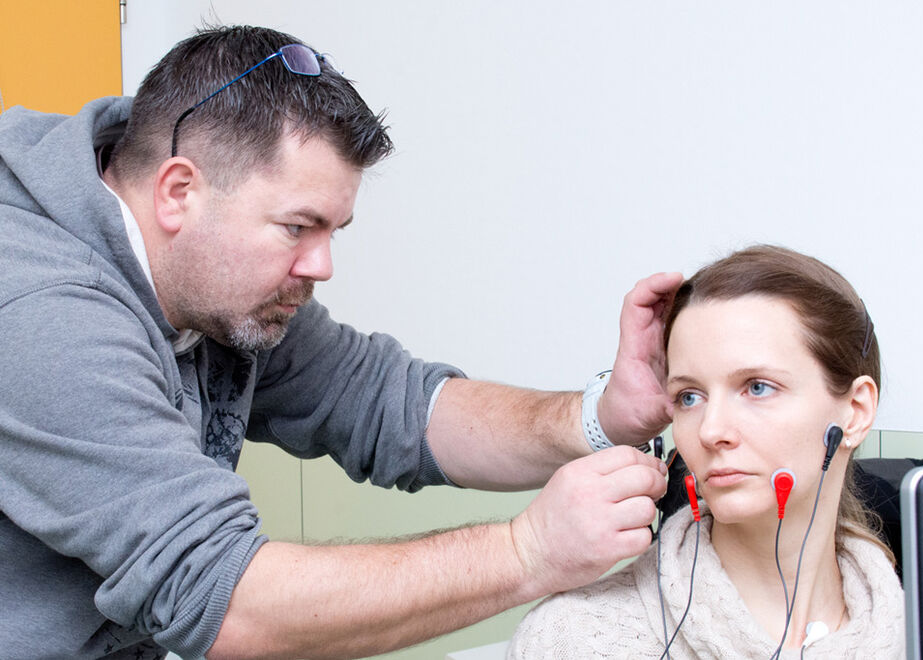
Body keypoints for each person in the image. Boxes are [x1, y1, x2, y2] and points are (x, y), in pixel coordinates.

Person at [0, 25, 678, 660]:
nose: (322, 267)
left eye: (334, 231)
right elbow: (225, 599)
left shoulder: (220, 285)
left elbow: (384, 400)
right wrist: (530, 553)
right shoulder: (40, 317)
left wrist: (599, 416)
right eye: (298, 227)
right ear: (179, 191)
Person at [509, 245, 906, 659]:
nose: (711, 431)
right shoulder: (572, 640)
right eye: (689, 397)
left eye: (757, 387)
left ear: (856, 412)